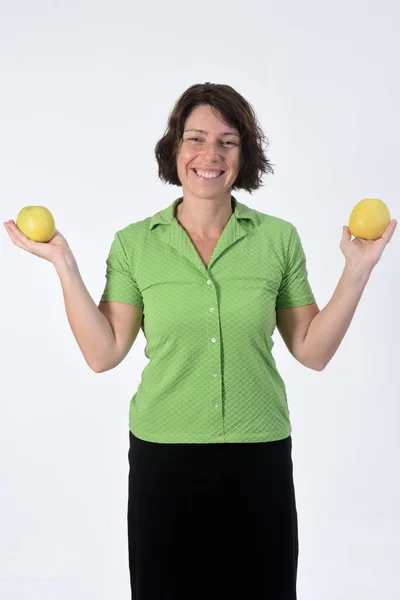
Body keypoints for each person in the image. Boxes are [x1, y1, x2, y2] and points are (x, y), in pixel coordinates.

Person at [3, 82, 397, 600]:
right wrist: (64, 264)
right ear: (174, 148)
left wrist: (357, 272)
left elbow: (312, 350)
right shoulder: (134, 244)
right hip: (164, 460)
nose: (210, 155)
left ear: (244, 154)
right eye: (196, 138)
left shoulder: (278, 239)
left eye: (228, 141)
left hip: (259, 457)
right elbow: (103, 353)